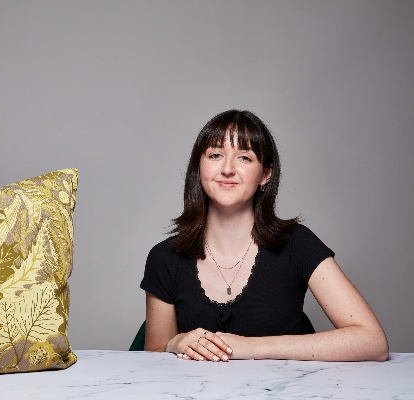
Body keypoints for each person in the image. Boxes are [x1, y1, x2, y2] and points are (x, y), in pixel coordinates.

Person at [140, 109, 388, 362]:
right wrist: (175, 343)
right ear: (199, 167)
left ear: (265, 174)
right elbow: (153, 359)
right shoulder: (164, 257)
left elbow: (373, 341)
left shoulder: (297, 244)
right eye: (215, 155)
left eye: (244, 158)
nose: (227, 169)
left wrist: (250, 347)